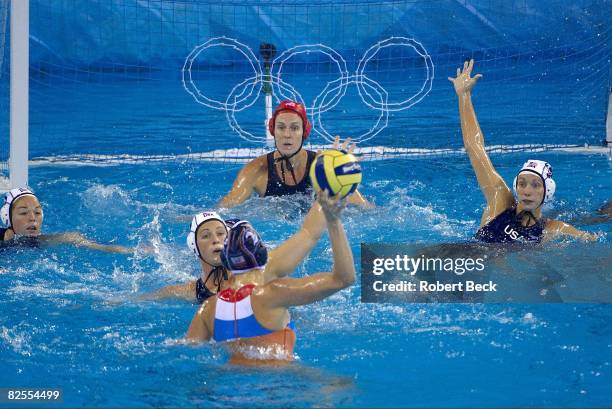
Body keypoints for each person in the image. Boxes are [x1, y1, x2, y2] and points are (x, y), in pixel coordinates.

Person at [186, 190, 355, 365]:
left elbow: (186, 352)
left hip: (228, 387)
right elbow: (343, 279)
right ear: (263, 252)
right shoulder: (274, 293)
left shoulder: (207, 309)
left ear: (227, 261)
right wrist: (333, 220)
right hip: (279, 385)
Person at [448, 60, 597, 243]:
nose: (527, 191)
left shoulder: (553, 229)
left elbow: (591, 241)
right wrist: (464, 96)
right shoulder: (500, 201)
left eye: (535, 185)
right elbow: (474, 147)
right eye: (522, 184)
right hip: (463, 257)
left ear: (547, 191)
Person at [141, 198, 327, 303]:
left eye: (221, 233)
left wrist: (326, 195)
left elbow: (308, 234)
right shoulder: (192, 292)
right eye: (206, 235)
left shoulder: (256, 276)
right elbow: (141, 299)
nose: (215, 239)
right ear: (194, 247)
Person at [217, 100, 372, 208]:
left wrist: (341, 175)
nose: (287, 134)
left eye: (294, 128)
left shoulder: (322, 166)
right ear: (273, 131)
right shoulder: (256, 170)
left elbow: (366, 211)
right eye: (281, 127)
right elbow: (224, 210)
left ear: (304, 132)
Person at [1, 187, 135, 253]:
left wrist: (131, 250)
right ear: (7, 218)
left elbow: (73, 238)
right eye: (24, 213)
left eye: (37, 212)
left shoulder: (37, 241)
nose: (32, 218)